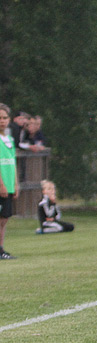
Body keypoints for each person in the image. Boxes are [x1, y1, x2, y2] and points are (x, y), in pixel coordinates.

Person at [0, 104, 19, 259]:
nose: (2, 121)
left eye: (4, 118)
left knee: (4, 219)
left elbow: (13, 162)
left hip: (9, 185)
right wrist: (1, 184)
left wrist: (15, 183)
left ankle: (1, 249)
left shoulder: (9, 140)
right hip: (1, 186)